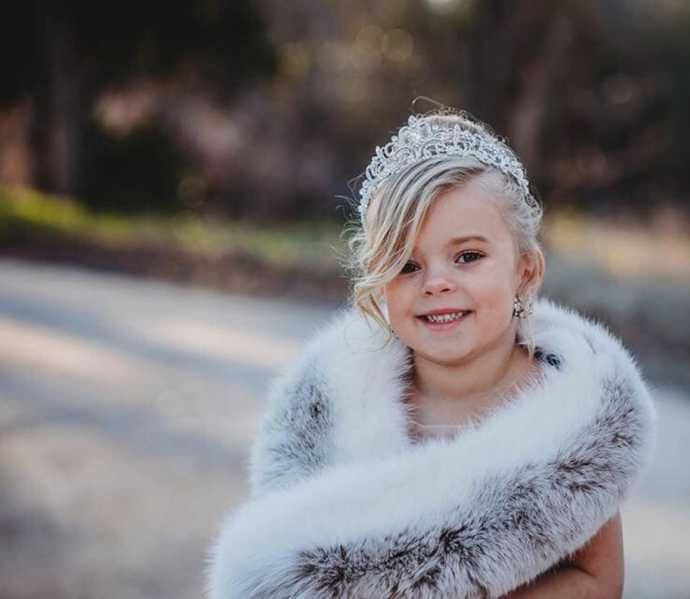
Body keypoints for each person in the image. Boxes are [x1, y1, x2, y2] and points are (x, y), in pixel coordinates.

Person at [207, 106, 656, 598]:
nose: (437, 283)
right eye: (406, 264)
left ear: (525, 271)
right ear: (377, 282)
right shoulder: (334, 415)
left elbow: (599, 578)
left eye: (468, 257)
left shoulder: (569, 414)